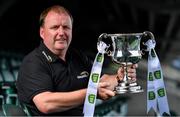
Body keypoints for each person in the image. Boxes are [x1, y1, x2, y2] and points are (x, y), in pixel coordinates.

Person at [16, 5, 138, 116]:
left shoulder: (77, 57)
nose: (61, 32)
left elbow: (101, 81)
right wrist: (91, 93)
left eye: (66, 27)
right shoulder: (33, 62)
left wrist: (119, 77)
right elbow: (46, 104)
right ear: (42, 33)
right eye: (54, 27)